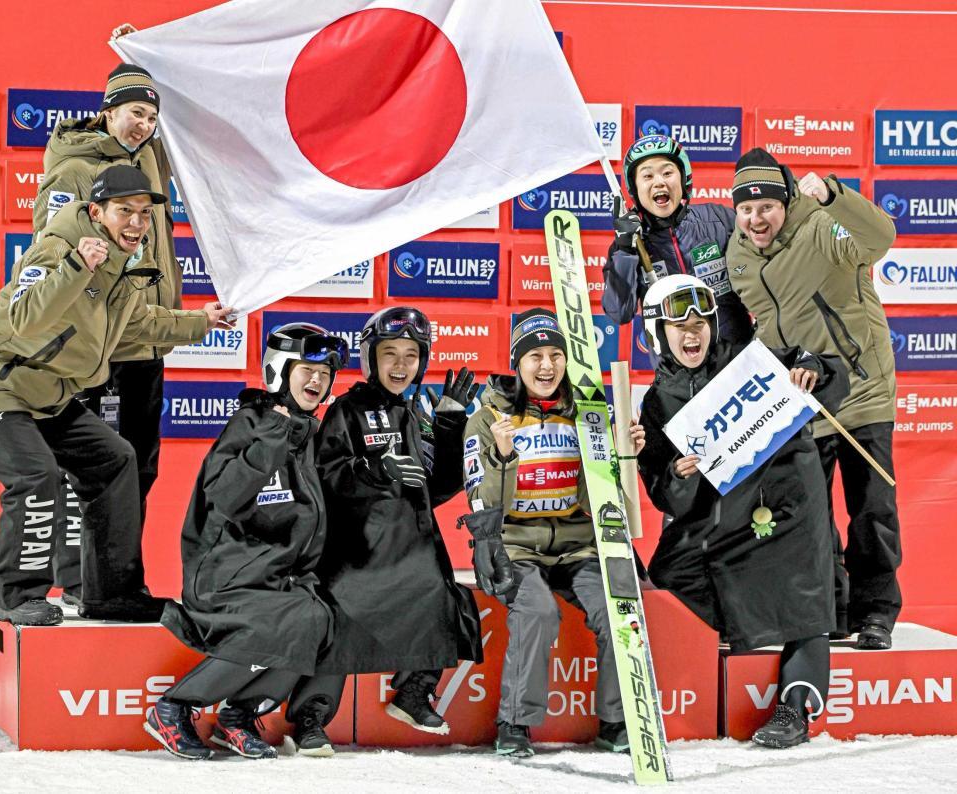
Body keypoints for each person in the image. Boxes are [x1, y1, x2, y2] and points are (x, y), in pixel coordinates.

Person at [0, 164, 230, 626]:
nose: (137, 223)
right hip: (6, 389)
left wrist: (202, 321)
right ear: (96, 211)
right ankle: (15, 594)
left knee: (116, 459)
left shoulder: (122, 268)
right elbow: (23, 320)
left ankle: (110, 593)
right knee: (37, 476)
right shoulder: (56, 251)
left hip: (52, 396)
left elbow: (141, 325)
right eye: (125, 211)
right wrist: (74, 268)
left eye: (145, 214)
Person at [636, 275, 849, 748]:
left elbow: (830, 377)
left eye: (700, 323)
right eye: (678, 325)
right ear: (656, 333)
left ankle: (795, 708)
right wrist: (679, 474)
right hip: (717, 522)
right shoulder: (655, 404)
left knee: (805, 598)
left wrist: (814, 367)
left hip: (786, 508)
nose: (693, 334)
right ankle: (719, 655)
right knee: (668, 574)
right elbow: (665, 497)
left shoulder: (751, 361)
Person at [283, 307, 483, 756]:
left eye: (411, 355)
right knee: (340, 618)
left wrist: (450, 426)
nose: (399, 365)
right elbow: (327, 474)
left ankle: (413, 693)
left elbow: (440, 486)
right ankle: (310, 718)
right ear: (369, 357)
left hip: (411, 541)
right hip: (357, 546)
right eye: (389, 353)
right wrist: (374, 468)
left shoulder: (421, 410)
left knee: (442, 595)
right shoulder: (346, 409)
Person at [145, 324, 347, 761]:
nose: (317, 381)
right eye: (307, 370)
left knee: (323, 616)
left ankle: (239, 715)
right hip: (224, 576)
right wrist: (272, 436)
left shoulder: (308, 434)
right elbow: (225, 497)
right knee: (290, 619)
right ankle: (175, 706)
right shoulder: (252, 425)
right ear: (280, 371)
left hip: (274, 577)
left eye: (325, 373)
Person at [726, 148, 899, 650]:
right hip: (803, 399)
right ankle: (837, 609)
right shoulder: (737, 254)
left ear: (785, 201)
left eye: (767, 207)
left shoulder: (822, 227)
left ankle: (877, 612)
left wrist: (834, 195)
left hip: (861, 387)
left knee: (871, 507)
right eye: (747, 209)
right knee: (812, 517)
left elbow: (879, 237)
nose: (757, 219)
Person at [460, 308, 641, 758]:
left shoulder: (587, 413)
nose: (547, 366)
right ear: (516, 363)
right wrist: (504, 457)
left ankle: (618, 721)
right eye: (535, 356)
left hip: (578, 543)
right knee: (538, 611)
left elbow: (599, 493)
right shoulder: (488, 418)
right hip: (518, 545)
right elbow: (482, 502)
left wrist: (622, 456)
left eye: (556, 355)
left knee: (619, 610)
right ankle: (515, 724)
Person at [33, 63, 181, 605]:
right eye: (135, 112)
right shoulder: (72, 168)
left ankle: (116, 583)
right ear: (109, 109)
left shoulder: (147, 158)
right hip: (96, 343)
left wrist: (148, 52)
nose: (143, 124)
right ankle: (80, 583)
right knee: (93, 467)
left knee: (137, 467)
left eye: (151, 115)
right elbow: (53, 254)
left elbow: (197, 123)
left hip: (142, 339)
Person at [601, 134, 752, 367]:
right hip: (677, 376)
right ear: (635, 189)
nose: (659, 182)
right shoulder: (630, 247)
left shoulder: (720, 220)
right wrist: (624, 250)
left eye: (667, 172)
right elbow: (619, 312)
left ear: (684, 179)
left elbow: (766, 271)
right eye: (647, 176)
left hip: (737, 361)